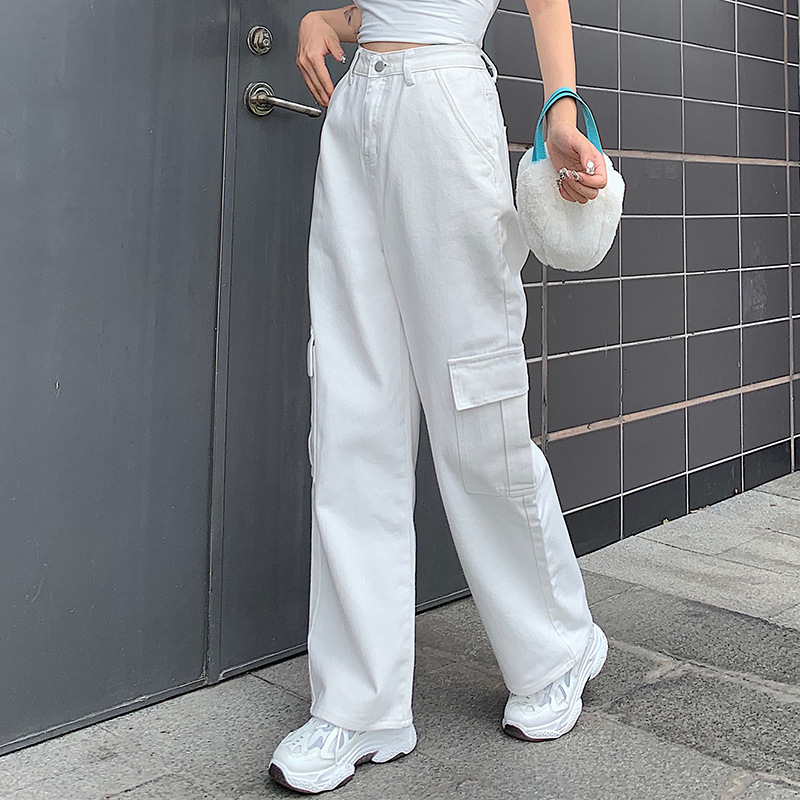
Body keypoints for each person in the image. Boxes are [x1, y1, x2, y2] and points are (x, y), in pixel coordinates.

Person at [268, 0, 609, 793]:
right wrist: (328, 21)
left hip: (444, 103)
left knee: (476, 405)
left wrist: (561, 104)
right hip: (358, 112)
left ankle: (559, 648)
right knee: (350, 408)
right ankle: (360, 706)